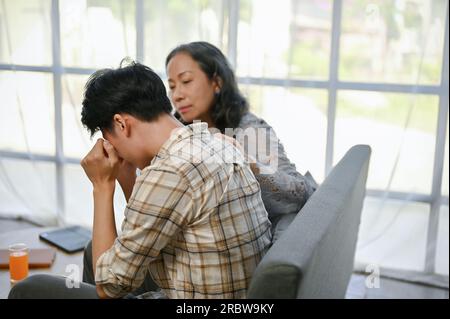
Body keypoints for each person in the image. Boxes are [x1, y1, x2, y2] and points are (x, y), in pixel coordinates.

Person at [8, 61, 272, 299]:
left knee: (28, 289)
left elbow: (108, 286)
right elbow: (155, 225)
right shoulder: (215, 142)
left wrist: (102, 186)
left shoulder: (170, 169)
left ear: (121, 124)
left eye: (109, 139)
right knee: (94, 251)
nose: (113, 149)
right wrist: (126, 178)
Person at [165, 41, 318, 227]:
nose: (177, 95)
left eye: (186, 81)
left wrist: (248, 162)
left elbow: (301, 194)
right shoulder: (178, 135)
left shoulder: (250, 129)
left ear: (217, 82)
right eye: (172, 86)